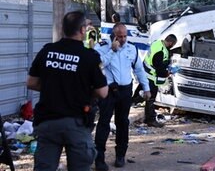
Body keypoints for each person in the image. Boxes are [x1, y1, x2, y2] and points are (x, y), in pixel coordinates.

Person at [27, 11, 108, 171]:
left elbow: (31, 83)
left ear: (63, 29)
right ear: (83, 30)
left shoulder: (47, 51)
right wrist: (78, 90)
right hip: (76, 123)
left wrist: (54, 87)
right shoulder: (89, 56)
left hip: (47, 122)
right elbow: (102, 92)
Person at [94, 23, 151, 171]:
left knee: (123, 123)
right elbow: (98, 65)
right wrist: (112, 51)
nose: (123, 39)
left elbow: (139, 70)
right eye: (120, 36)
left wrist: (146, 88)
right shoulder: (102, 47)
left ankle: (120, 155)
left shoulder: (132, 48)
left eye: (125, 36)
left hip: (125, 90)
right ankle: (99, 158)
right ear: (113, 35)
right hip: (108, 90)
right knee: (104, 123)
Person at [142, 34, 178, 127]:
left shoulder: (157, 43)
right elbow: (160, 70)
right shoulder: (160, 51)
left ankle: (148, 118)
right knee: (151, 99)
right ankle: (150, 120)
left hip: (147, 73)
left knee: (149, 98)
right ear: (170, 42)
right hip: (151, 76)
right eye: (173, 44)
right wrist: (169, 72)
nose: (172, 46)